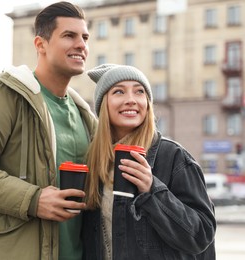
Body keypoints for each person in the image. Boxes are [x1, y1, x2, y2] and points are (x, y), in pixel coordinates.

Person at [0, 2, 97, 259]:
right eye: (69, 35)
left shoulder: (85, 116)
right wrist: (33, 200)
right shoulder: (5, 94)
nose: (81, 44)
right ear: (41, 44)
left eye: (85, 37)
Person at [82, 64, 216, 259]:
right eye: (119, 92)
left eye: (139, 92)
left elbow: (202, 235)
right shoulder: (94, 161)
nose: (131, 100)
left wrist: (153, 190)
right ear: (103, 104)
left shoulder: (174, 157)